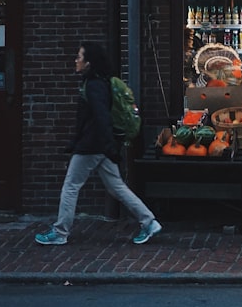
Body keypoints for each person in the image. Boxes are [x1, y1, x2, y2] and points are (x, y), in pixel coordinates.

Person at [35, 42, 162, 246]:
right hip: (100, 145)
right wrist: (107, 146)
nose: (76, 60)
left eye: (79, 57)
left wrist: (103, 144)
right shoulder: (99, 82)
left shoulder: (94, 85)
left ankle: (60, 232)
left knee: (70, 187)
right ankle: (149, 222)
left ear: (88, 63)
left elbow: (100, 117)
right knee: (117, 187)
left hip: (92, 146)